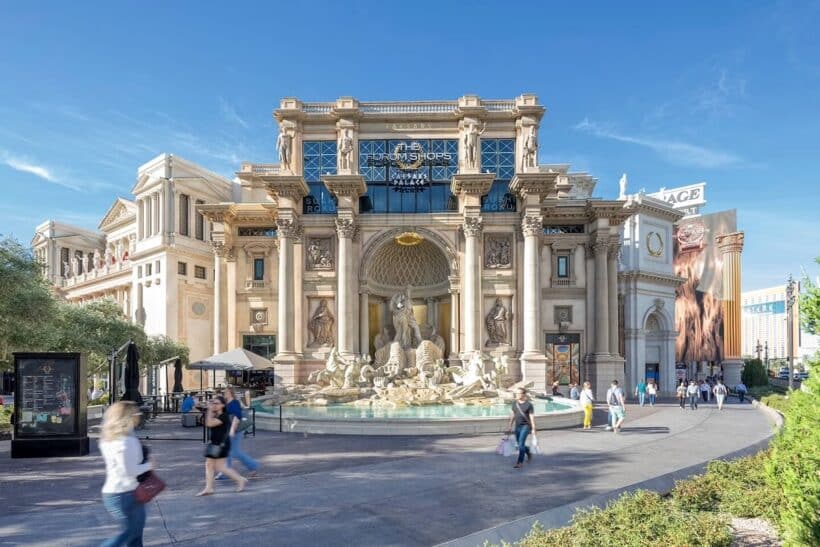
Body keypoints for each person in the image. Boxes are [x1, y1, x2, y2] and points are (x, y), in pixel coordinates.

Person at [99, 401, 152, 547]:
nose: (139, 416)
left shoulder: (108, 439)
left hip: (117, 492)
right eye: (136, 413)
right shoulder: (127, 441)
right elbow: (130, 470)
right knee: (131, 532)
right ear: (128, 417)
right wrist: (150, 465)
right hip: (126, 494)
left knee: (135, 534)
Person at [197, 396, 247, 496]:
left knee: (218, 467)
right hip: (215, 443)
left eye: (217, 403)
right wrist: (208, 409)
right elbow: (204, 421)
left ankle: (239, 480)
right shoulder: (217, 414)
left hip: (221, 444)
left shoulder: (224, 416)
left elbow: (209, 423)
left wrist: (209, 410)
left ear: (223, 405)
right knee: (212, 465)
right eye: (213, 403)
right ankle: (209, 488)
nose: (214, 405)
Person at [222, 388, 259, 478]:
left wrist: (232, 429)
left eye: (226, 392)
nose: (224, 393)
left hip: (235, 430)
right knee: (229, 451)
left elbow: (237, 416)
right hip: (229, 429)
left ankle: (253, 466)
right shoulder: (227, 403)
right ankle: (226, 472)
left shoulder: (234, 403)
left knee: (234, 452)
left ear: (230, 393)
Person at [506, 388, 536, 469]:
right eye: (516, 393)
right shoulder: (514, 404)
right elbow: (512, 415)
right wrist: (510, 426)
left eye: (519, 393)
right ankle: (528, 452)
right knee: (520, 444)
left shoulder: (529, 405)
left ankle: (520, 462)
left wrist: (533, 428)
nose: (517, 395)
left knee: (521, 444)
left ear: (524, 394)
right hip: (517, 426)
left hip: (525, 426)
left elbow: (531, 417)